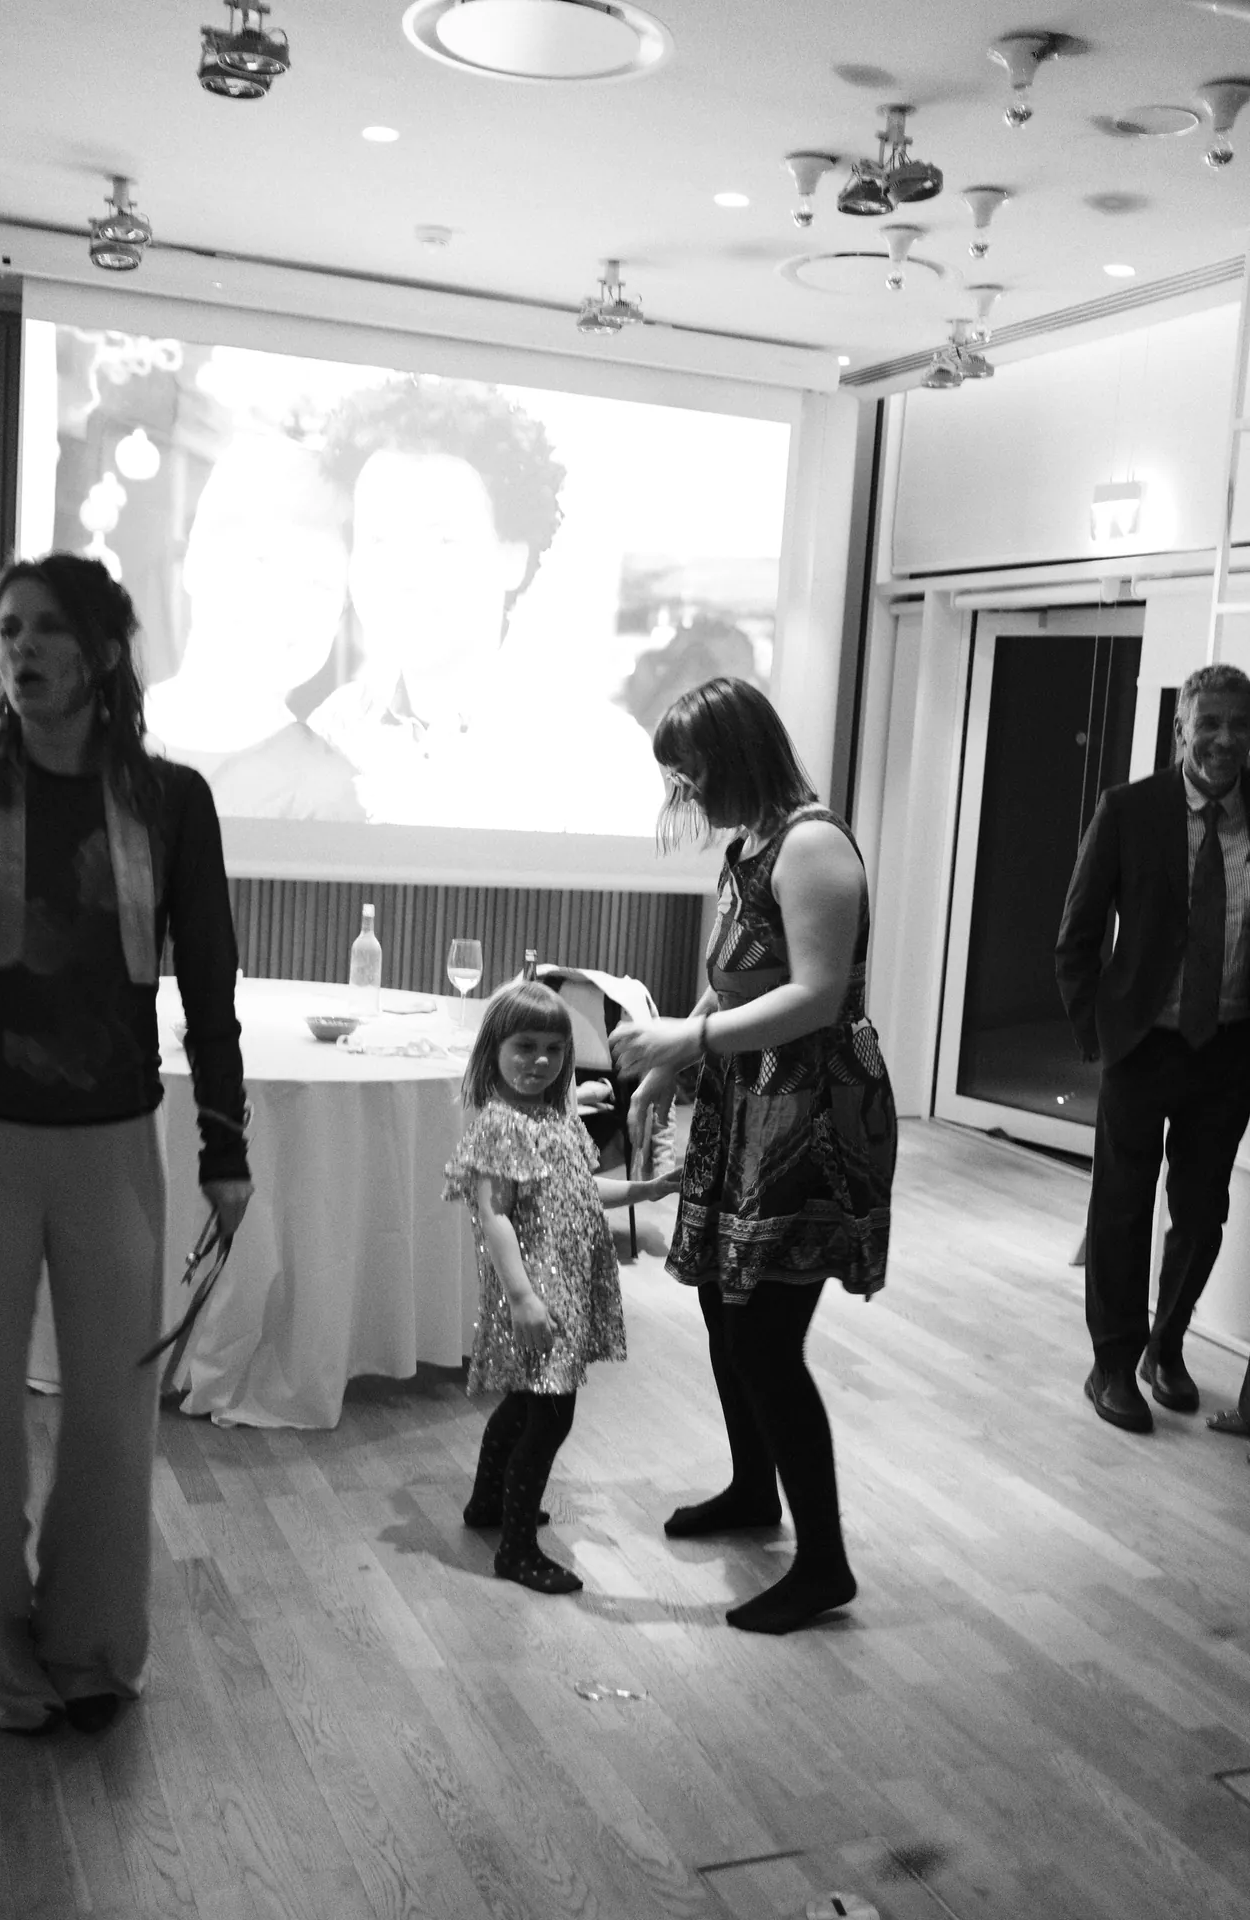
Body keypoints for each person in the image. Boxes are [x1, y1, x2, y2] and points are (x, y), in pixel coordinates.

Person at [0, 553, 252, 1734]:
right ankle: (0, 1665)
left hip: (112, 1144)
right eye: (5, 631)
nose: (19, 650)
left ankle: (90, 1654)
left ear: (100, 652)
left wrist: (225, 1145)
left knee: (109, 1417)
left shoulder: (172, 799)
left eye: (44, 629)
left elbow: (210, 979)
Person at [612, 678, 897, 1636]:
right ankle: (750, 1489)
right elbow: (733, 982)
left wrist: (687, 1044)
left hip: (810, 1117)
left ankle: (824, 1566)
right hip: (750, 1105)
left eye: (692, 775)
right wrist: (670, 1065)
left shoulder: (812, 846)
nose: (686, 795)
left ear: (737, 757)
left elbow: (815, 996)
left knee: (767, 1341)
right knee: (724, 1314)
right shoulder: (750, 845)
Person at [307, 377, 662, 834]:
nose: (403, 574)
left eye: (443, 540)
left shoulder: (599, 756)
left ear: (512, 557)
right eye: (377, 539)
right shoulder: (333, 730)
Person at [1056, 661, 1250, 1435]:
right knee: (1122, 1208)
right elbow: (1075, 938)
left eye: (1239, 724)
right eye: (1210, 723)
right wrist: (1098, 1037)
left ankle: (1165, 1348)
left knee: (1202, 1214)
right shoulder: (1128, 811)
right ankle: (1112, 1363)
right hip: (1141, 1044)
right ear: (1180, 730)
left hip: (1229, 1050)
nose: (1225, 739)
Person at [443, 980, 679, 1596]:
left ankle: (488, 1503)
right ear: (494, 1049)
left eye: (553, 1049)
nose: (540, 1061)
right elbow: (494, 1215)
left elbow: (579, 1187)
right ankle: (517, 1549)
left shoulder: (554, 1117)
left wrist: (644, 1190)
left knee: (526, 1403)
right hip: (536, 1288)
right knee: (549, 1415)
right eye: (525, 1047)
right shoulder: (501, 1125)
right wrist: (522, 1296)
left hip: (563, 1283)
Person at [144, 434, 364, 821]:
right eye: (262, 562)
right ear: (197, 561)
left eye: (319, 585)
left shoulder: (328, 796)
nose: (285, 604)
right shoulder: (92, 728)